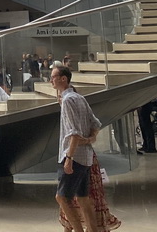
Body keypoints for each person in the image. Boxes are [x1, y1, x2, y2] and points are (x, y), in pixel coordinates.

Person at [50, 65, 102, 232]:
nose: (51, 80)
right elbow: (95, 123)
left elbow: (73, 132)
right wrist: (90, 139)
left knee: (62, 197)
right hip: (86, 156)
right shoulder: (79, 98)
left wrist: (69, 158)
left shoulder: (68, 100)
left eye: (53, 77)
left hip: (73, 156)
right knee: (83, 198)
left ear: (63, 79)